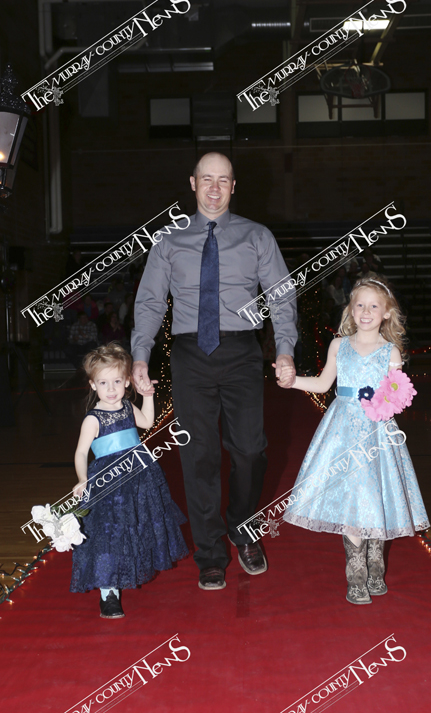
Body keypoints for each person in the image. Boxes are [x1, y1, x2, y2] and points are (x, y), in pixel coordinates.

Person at [131, 152, 297, 591]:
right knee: (198, 456)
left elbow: (281, 296)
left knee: (251, 451)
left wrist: (285, 350)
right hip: (190, 354)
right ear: (192, 183)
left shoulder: (257, 236)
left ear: (234, 186)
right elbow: (150, 301)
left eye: (223, 180)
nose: (214, 188)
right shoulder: (168, 241)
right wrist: (140, 355)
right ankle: (210, 553)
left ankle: (242, 525)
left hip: (242, 351)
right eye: (207, 179)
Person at [278, 274, 429, 605]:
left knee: (376, 493)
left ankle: (376, 559)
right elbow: (323, 384)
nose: (366, 311)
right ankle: (356, 574)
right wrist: (293, 382)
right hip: (342, 429)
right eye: (359, 305)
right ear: (350, 309)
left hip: (377, 431)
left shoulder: (390, 352)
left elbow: (399, 393)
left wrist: (385, 405)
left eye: (374, 306)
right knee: (352, 495)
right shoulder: (339, 345)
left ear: (386, 312)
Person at [70, 343, 188, 618]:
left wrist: (147, 396)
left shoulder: (126, 406)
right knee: (109, 533)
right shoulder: (93, 419)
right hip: (109, 483)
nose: (111, 389)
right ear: (93, 385)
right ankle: (108, 592)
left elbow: (146, 422)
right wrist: (82, 479)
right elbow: (80, 452)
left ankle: (132, 567)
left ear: (126, 382)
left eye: (116, 381)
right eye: (103, 383)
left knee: (138, 524)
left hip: (139, 476)